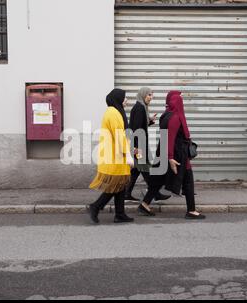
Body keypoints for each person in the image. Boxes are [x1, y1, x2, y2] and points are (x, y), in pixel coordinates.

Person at [138, 91, 206, 220]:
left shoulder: (166, 114)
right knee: (188, 181)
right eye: (180, 100)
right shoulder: (175, 117)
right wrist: (170, 158)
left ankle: (144, 204)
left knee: (158, 180)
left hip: (166, 153)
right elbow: (169, 138)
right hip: (176, 155)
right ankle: (191, 210)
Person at [87, 89, 135, 224]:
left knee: (120, 185)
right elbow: (119, 135)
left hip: (115, 154)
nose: (127, 101)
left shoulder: (114, 111)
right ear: (118, 98)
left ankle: (120, 214)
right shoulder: (114, 113)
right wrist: (128, 156)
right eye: (125, 98)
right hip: (115, 156)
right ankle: (96, 206)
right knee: (116, 184)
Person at [125, 87, 171, 204]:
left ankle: (126, 193)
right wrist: (136, 148)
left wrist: (149, 121)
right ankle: (155, 193)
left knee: (136, 171)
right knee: (146, 170)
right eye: (149, 95)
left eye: (152, 95)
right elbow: (136, 129)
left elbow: (139, 125)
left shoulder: (140, 107)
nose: (151, 97)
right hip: (138, 147)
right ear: (143, 95)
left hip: (138, 145)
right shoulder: (140, 108)